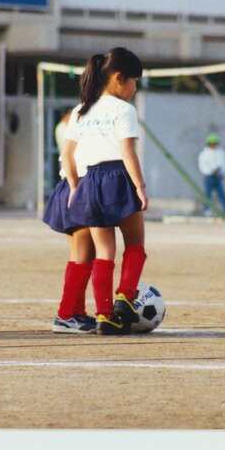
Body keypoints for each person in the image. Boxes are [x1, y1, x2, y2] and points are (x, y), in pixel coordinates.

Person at [63, 47, 148, 335]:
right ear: (119, 78)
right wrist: (140, 186)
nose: (134, 88)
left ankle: (105, 316)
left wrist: (75, 188)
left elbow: (67, 155)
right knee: (135, 243)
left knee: (104, 251)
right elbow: (127, 151)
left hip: (90, 180)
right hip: (118, 177)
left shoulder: (80, 110)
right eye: (134, 81)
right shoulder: (124, 110)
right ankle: (125, 295)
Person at [43, 117, 96, 334]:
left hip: (66, 184)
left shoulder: (77, 115)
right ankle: (65, 315)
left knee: (77, 256)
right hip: (80, 183)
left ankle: (75, 312)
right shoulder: (100, 116)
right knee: (84, 256)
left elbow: (66, 155)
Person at [198, 132, 225, 215]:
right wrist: (211, 171)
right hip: (209, 177)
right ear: (208, 144)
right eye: (212, 144)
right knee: (208, 193)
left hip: (218, 176)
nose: (213, 145)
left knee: (221, 193)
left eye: (215, 143)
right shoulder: (204, 154)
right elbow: (203, 166)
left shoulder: (220, 152)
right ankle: (206, 210)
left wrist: (222, 172)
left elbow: (224, 163)